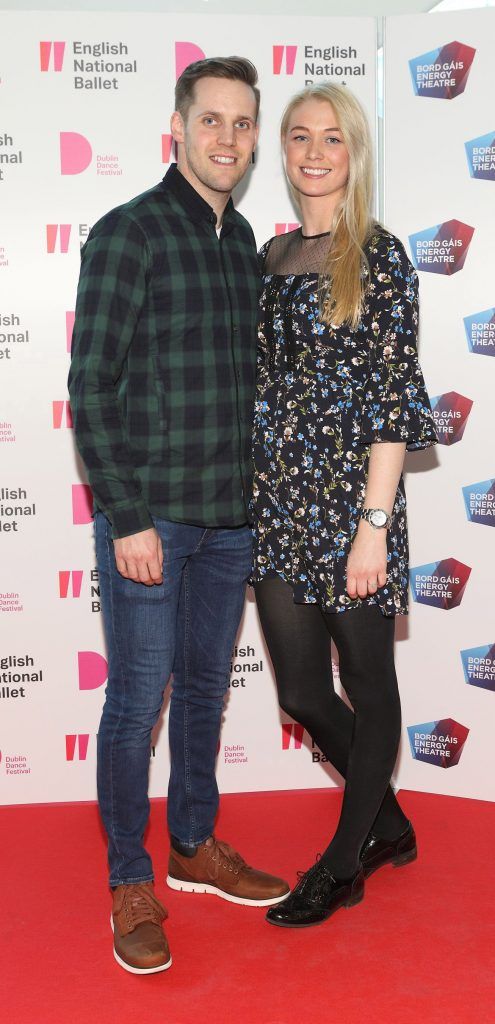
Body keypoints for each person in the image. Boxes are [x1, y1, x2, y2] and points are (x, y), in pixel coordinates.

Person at [68, 56, 289, 975]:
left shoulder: (243, 244)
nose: (227, 139)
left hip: (230, 522)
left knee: (205, 693)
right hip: (152, 519)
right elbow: (89, 386)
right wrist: (124, 517)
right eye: (211, 121)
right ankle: (129, 879)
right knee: (134, 704)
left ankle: (194, 845)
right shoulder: (127, 234)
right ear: (177, 126)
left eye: (242, 124)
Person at [250, 83, 437, 929]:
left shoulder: (381, 255)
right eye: (299, 137)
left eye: (332, 138)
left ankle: (342, 862)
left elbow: (394, 400)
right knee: (298, 691)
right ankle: (389, 823)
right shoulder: (268, 257)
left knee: (366, 681)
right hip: (281, 505)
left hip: (355, 504)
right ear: (282, 152)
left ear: (353, 153)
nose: (314, 152)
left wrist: (372, 525)